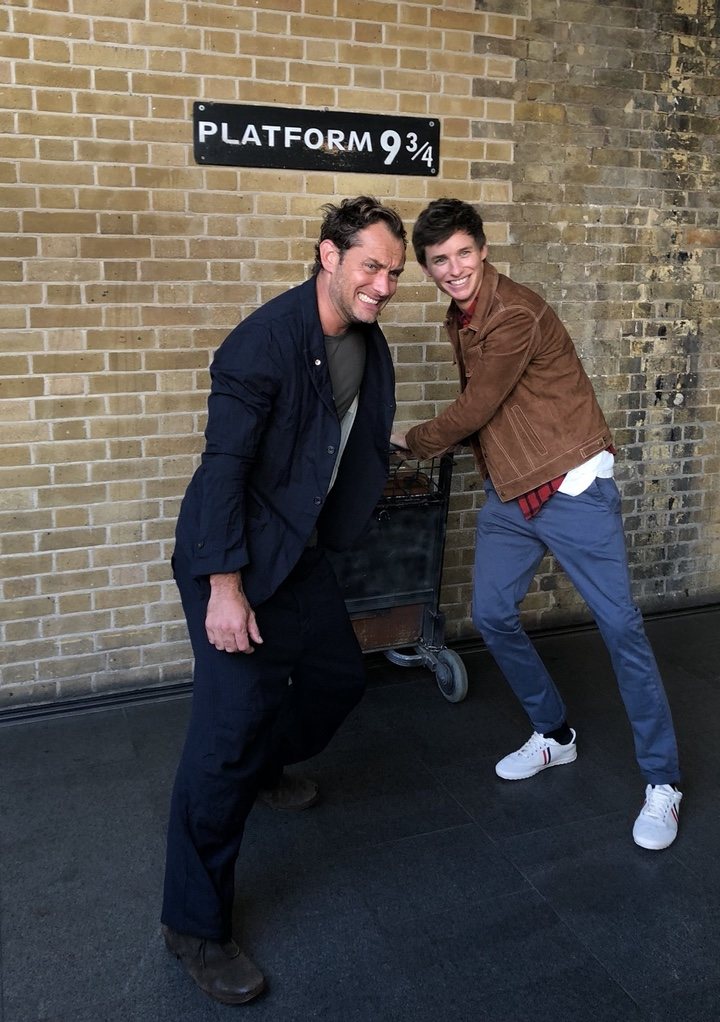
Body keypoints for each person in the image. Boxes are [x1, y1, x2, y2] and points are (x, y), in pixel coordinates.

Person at [162, 196, 406, 1005]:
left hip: (295, 555)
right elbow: (225, 469)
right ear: (327, 256)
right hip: (229, 559)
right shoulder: (261, 345)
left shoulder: (368, 345)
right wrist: (224, 590)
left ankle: (267, 764)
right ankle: (193, 926)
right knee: (224, 738)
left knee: (339, 680)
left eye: (395, 271)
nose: (384, 283)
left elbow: (351, 440)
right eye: (371, 264)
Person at [391, 197, 682, 853]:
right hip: (513, 491)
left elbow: (478, 406)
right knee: (491, 613)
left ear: (483, 250)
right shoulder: (460, 316)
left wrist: (411, 438)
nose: (454, 268)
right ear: (430, 268)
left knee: (619, 627)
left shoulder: (514, 311)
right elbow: (496, 416)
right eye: (440, 260)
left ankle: (663, 783)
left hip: (572, 484)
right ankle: (554, 734)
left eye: (464, 253)